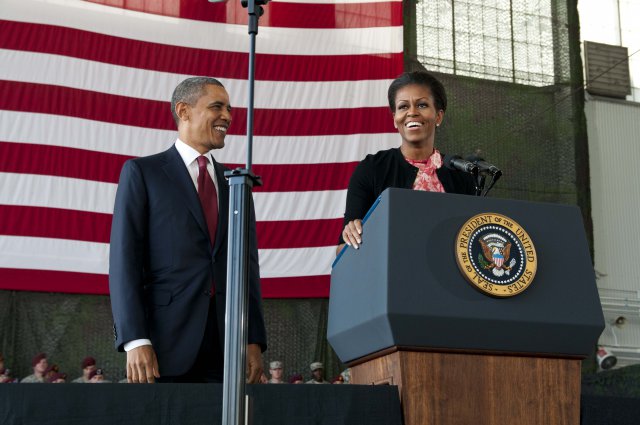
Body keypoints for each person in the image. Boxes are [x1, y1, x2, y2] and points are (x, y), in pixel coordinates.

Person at [109, 76, 267, 384]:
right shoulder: (143, 173)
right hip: (163, 350)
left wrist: (254, 339)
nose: (228, 117)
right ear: (184, 111)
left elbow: (248, 270)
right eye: (216, 107)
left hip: (228, 350)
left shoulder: (237, 186)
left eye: (230, 109)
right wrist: (135, 339)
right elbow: (124, 262)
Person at [338, 71, 476, 252]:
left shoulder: (461, 173)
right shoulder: (372, 169)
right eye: (403, 107)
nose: (412, 112)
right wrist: (355, 236)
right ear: (395, 118)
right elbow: (342, 250)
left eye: (422, 105)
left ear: (439, 116)